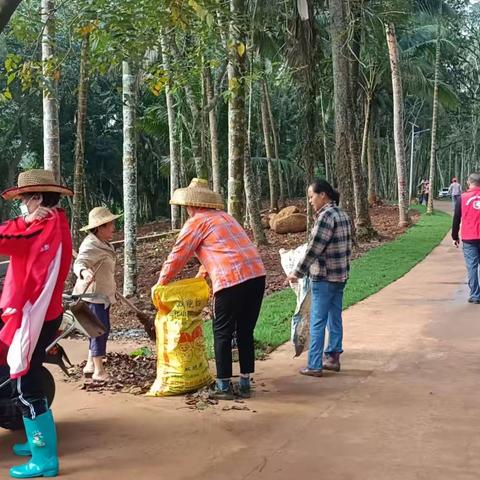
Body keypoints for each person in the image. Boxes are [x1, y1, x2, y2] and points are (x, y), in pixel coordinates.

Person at [157, 178, 266, 399]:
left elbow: (178, 255)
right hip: (256, 276)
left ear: (190, 205)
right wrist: (202, 275)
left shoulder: (196, 222)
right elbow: (224, 250)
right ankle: (245, 383)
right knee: (245, 331)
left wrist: (161, 283)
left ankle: (224, 386)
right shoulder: (225, 218)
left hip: (231, 281)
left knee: (222, 332)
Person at [0, 169, 72, 478]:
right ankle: (35, 441)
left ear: (38, 199)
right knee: (27, 379)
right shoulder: (58, 222)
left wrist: (25, 222)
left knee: (26, 383)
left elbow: (5, 238)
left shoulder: (39, 228)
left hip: (35, 317)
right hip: (47, 313)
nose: (22, 206)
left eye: (24, 200)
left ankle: (44, 459)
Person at [287, 179, 352, 377]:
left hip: (324, 277)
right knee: (335, 317)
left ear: (323, 195)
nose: (310, 201)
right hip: (341, 275)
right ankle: (332, 357)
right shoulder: (343, 215)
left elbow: (314, 249)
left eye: (311, 196)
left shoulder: (325, 217)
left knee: (317, 320)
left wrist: (296, 272)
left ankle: (314, 365)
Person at [73, 206, 121, 382]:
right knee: (99, 330)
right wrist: (84, 273)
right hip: (93, 296)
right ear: (99, 227)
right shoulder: (91, 244)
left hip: (103, 293)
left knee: (97, 329)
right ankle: (99, 371)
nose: (113, 228)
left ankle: (90, 364)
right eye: (110, 225)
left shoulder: (104, 243)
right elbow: (80, 263)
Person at [452, 173, 480, 304]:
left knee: (472, 267)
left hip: (469, 237)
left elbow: (456, 219)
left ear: (469, 182)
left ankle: (475, 295)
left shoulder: (462, 198)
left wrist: (454, 236)